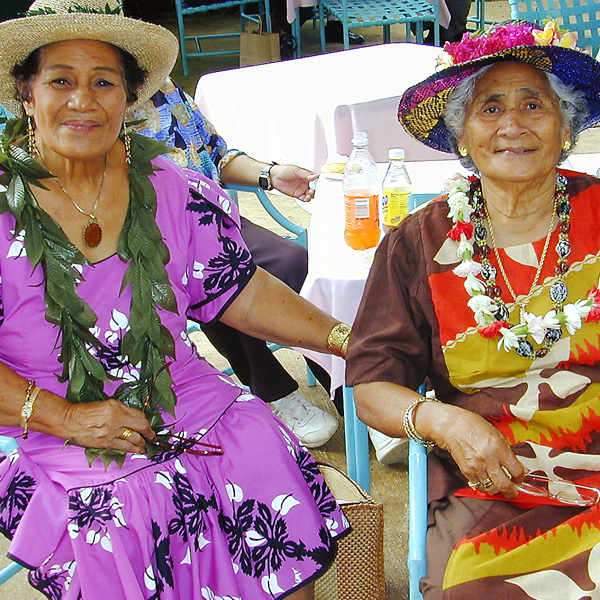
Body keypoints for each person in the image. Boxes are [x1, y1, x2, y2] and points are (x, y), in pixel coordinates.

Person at [0, 1, 352, 598]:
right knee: (122, 512)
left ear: (129, 99)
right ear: (25, 93)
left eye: (103, 82)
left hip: (180, 389)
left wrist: (345, 337)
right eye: (61, 79)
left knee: (262, 445)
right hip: (45, 419)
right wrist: (69, 418)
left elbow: (234, 286)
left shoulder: (169, 186)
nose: (83, 100)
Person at [347, 19, 600, 599]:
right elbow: (371, 386)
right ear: (463, 135)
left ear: (565, 127)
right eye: (490, 108)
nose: (512, 125)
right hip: (492, 482)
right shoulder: (419, 242)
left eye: (533, 104)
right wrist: (448, 422)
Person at [128, 77, 340, 449]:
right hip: (145, 238)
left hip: (211, 217)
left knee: (294, 262)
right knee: (222, 282)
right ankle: (274, 391)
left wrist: (270, 174)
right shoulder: (90, 116)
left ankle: (346, 385)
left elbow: (217, 155)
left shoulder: (165, 88)